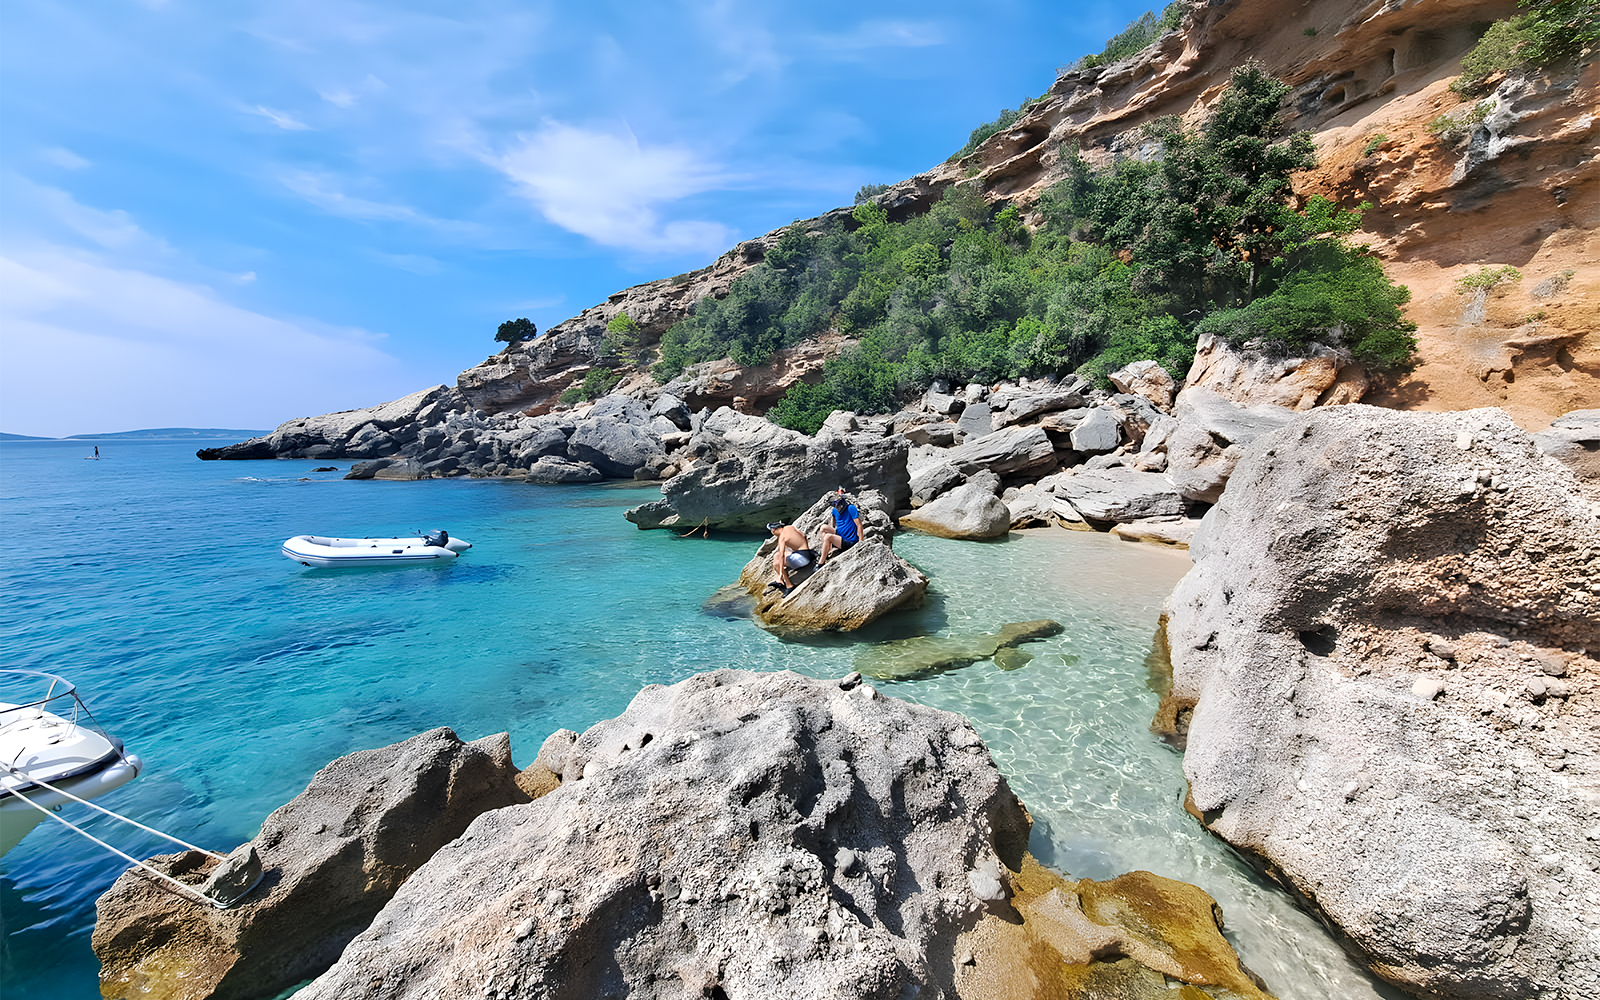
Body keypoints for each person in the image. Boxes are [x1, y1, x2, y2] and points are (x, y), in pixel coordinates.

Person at [766, 521, 816, 593]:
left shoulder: (782, 538)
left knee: (776, 561)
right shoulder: (790, 527)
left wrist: (780, 573)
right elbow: (803, 535)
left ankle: (788, 585)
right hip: (807, 554)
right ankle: (779, 580)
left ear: (773, 530)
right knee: (778, 555)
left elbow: (781, 556)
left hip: (801, 560)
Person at [818, 492, 862, 565]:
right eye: (834, 505)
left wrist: (861, 541)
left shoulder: (850, 508)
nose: (838, 507)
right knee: (823, 527)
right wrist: (833, 527)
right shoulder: (834, 510)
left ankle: (821, 563)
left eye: (839, 504)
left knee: (828, 537)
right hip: (840, 535)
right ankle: (827, 550)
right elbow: (833, 519)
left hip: (849, 540)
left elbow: (859, 525)